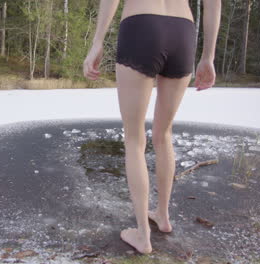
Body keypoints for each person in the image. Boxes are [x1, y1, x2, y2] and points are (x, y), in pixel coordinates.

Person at [83, 0, 221, 254]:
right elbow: (213, 3)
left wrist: (97, 41)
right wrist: (208, 56)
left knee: (134, 139)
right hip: (182, 31)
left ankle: (143, 236)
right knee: (164, 134)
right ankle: (163, 215)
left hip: (141, 25)